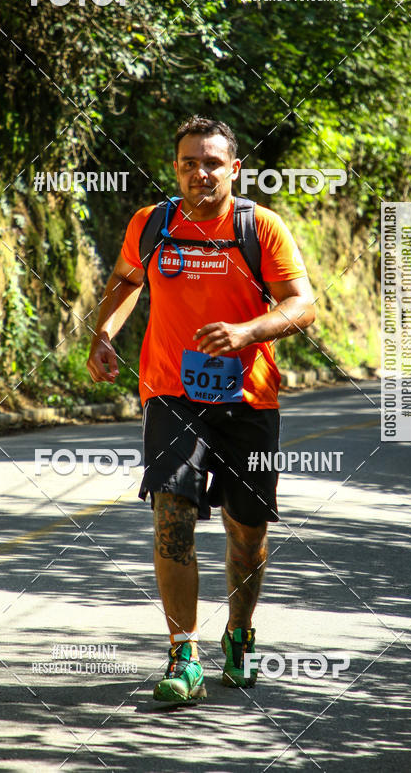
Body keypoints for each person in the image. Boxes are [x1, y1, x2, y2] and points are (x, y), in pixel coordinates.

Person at [87, 115, 315, 703]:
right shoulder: (152, 224)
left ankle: (238, 635)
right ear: (176, 169)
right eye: (189, 162)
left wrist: (247, 332)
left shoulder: (260, 228)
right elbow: (124, 280)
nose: (200, 173)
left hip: (247, 398)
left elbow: (302, 305)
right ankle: (182, 653)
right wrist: (105, 334)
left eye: (212, 162)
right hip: (171, 392)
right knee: (172, 516)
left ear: (234, 169)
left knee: (248, 531)